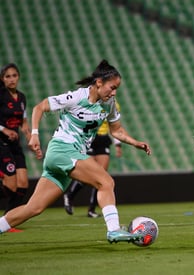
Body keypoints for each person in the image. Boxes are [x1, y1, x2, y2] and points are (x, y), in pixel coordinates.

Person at [0, 60, 151, 244]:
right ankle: (113, 230)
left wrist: (135, 143)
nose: (114, 93)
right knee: (106, 182)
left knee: (34, 208)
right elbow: (39, 107)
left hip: (65, 157)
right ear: (98, 83)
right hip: (62, 149)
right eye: (112, 87)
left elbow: (117, 130)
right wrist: (34, 135)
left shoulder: (109, 103)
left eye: (116, 88)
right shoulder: (76, 97)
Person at [64, 100, 122, 218]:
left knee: (102, 176)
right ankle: (70, 195)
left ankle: (91, 209)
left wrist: (118, 144)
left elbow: (114, 126)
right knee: (89, 173)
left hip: (103, 139)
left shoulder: (114, 105)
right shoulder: (90, 101)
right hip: (90, 138)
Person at [0, 63, 31, 222]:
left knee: (23, 185)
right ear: (2, 79)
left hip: (15, 145)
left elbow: (23, 121)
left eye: (14, 75)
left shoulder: (22, 97)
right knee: (11, 187)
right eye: (7, 76)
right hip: (2, 144)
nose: (11, 79)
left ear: (18, 77)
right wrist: (4, 130)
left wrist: (30, 135)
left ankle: (7, 220)